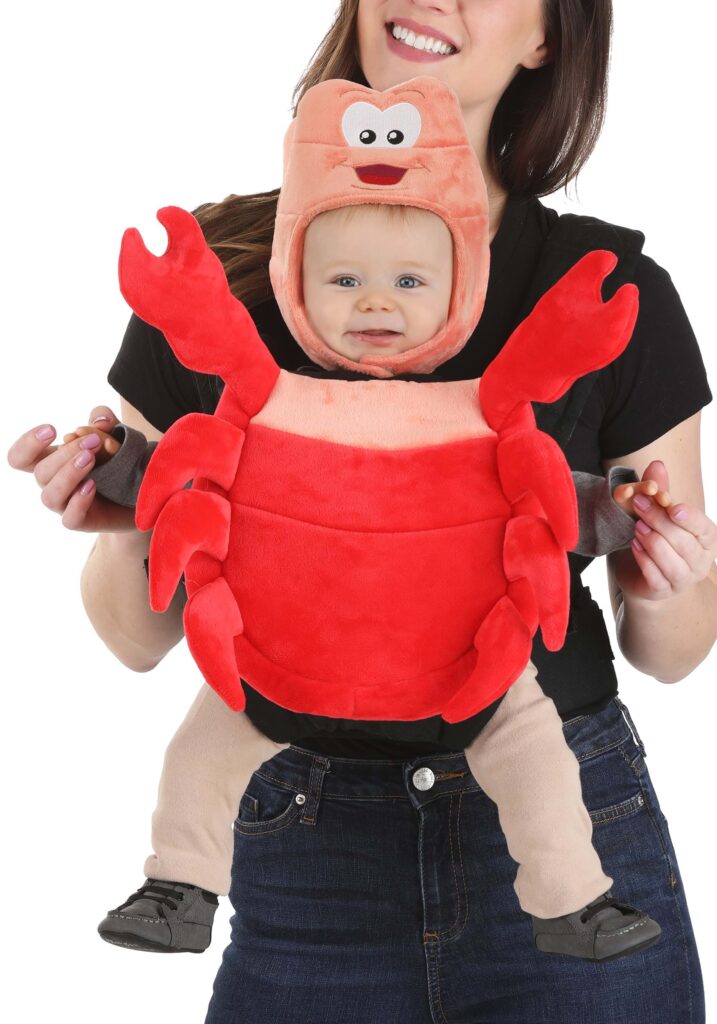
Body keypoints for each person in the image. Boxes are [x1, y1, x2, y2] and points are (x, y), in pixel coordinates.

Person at [8, 1, 715, 1020]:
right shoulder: (216, 279)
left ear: (548, 38)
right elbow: (132, 637)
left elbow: (674, 651)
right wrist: (124, 513)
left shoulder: (602, 290)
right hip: (299, 815)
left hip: (559, 790)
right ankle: (176, 886)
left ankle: (575, 899)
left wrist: (661, 569)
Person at [61, 169, 668, 958]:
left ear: (460, 297)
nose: (375, 302)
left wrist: (627, 513)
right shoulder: (258, 402)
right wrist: (109, 464)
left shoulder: (492, 416)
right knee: (198, 756)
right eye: (343, 281)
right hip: (280, 664)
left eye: (409, 282)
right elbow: (168, 472)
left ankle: (572, 901)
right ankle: (178, 884)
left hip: (462, 668)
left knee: (536, 759)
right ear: (295, 294)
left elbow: (562, 502)